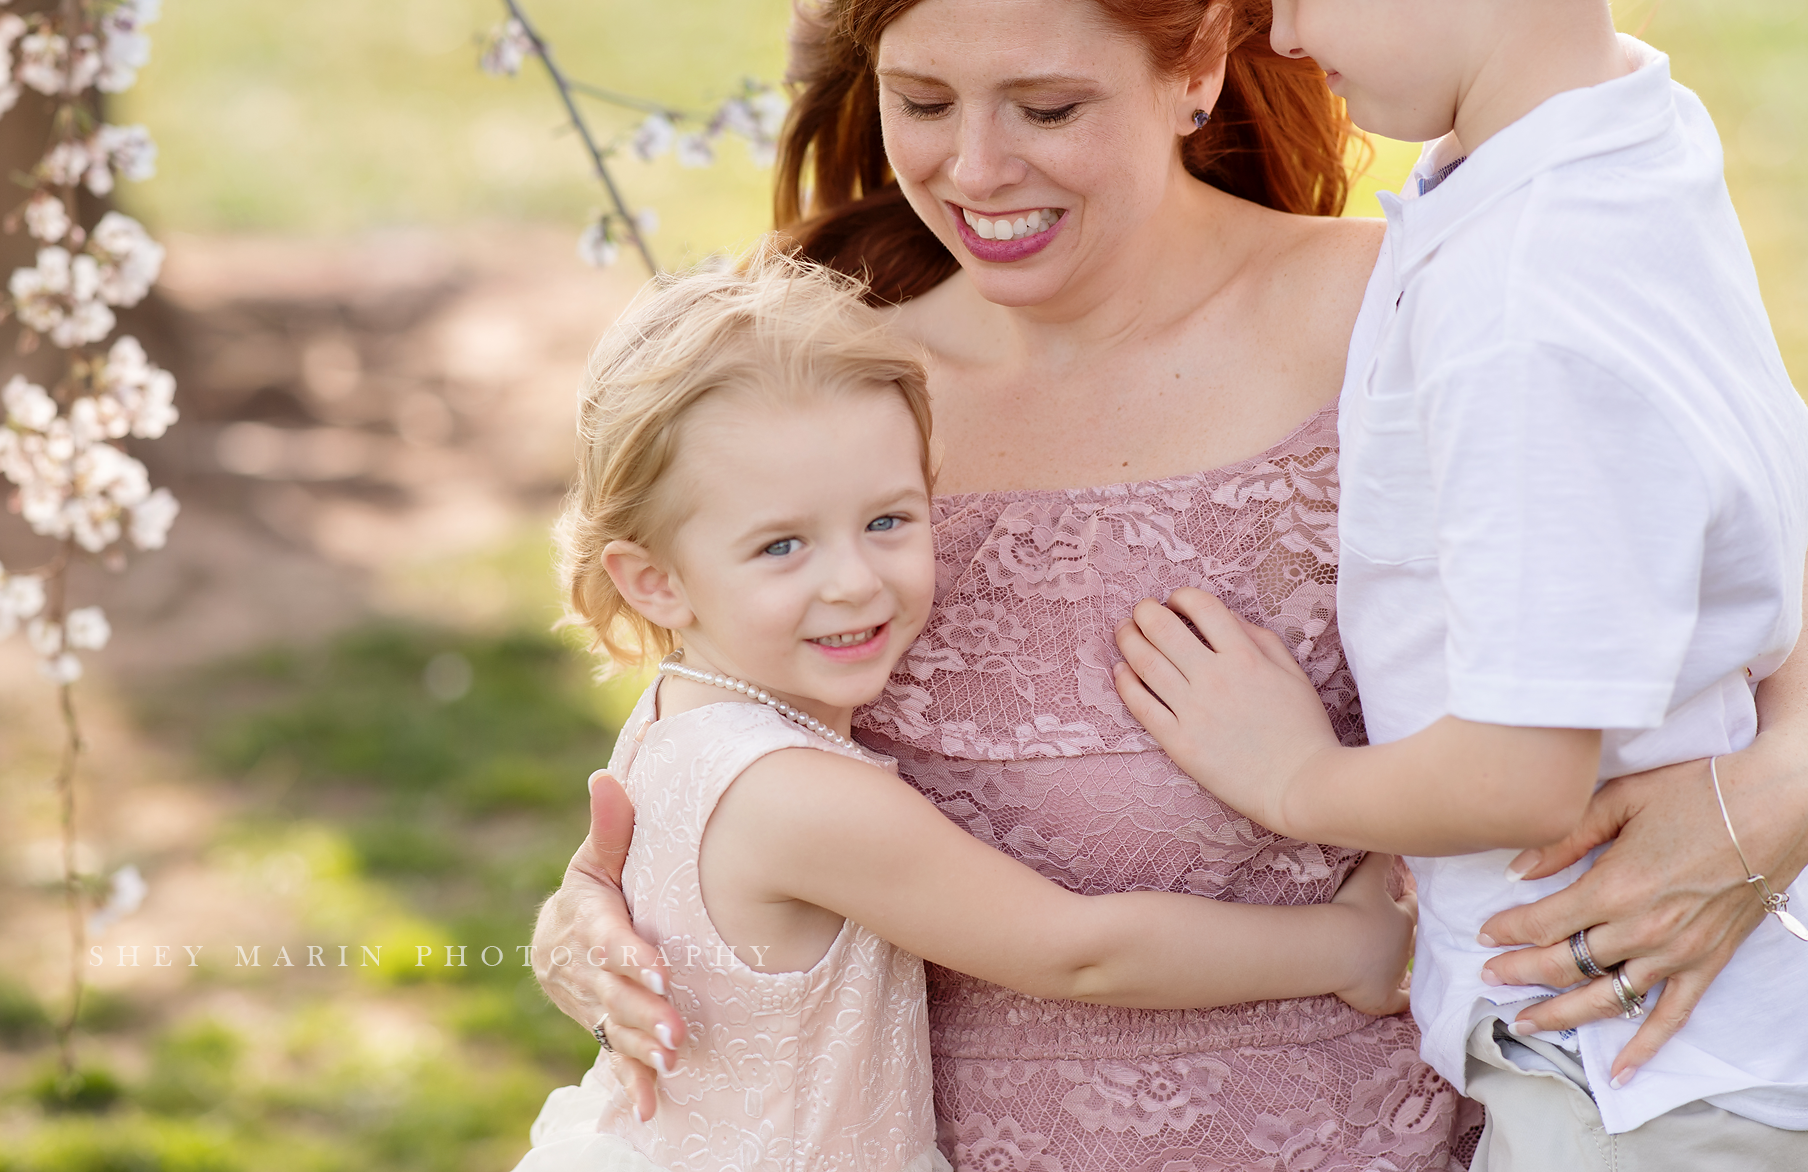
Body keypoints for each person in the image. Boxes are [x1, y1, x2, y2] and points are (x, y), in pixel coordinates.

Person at [530, 0, 1808, 1168]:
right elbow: (732, 723)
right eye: (923, 101)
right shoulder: (838, 394)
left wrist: (1782, 794)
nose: (976, 169)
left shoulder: (1401, 310)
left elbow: (1799, 575)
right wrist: (623, 905)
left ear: (1197, 63)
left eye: (1049, 106)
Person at [1113, 0, 1808, 1168]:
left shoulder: (1526, 302)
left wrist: (1296, 776)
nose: (1288, 36)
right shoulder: (1625, 137)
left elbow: (1524, 766)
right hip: (1687, 1039)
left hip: (1640, 1073)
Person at [513, 252, 1420, 1172]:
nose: (854, 580)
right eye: (782, 545)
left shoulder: (676, 713)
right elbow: (1078, 952)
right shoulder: (796, 795)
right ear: (654, 579)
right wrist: (1346, 947)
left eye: (889, 521)